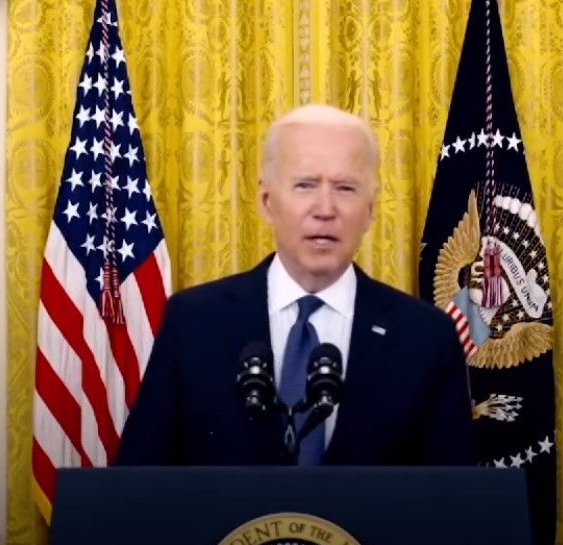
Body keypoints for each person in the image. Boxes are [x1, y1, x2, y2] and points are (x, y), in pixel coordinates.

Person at [114, 104, 478, 466]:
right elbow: (138, 479)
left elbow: (451, 494)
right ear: (266, 201)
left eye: (345, 188)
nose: (325, 209)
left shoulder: (426, 336)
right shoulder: (194, 321)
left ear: (369, 210)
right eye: (305, 185)